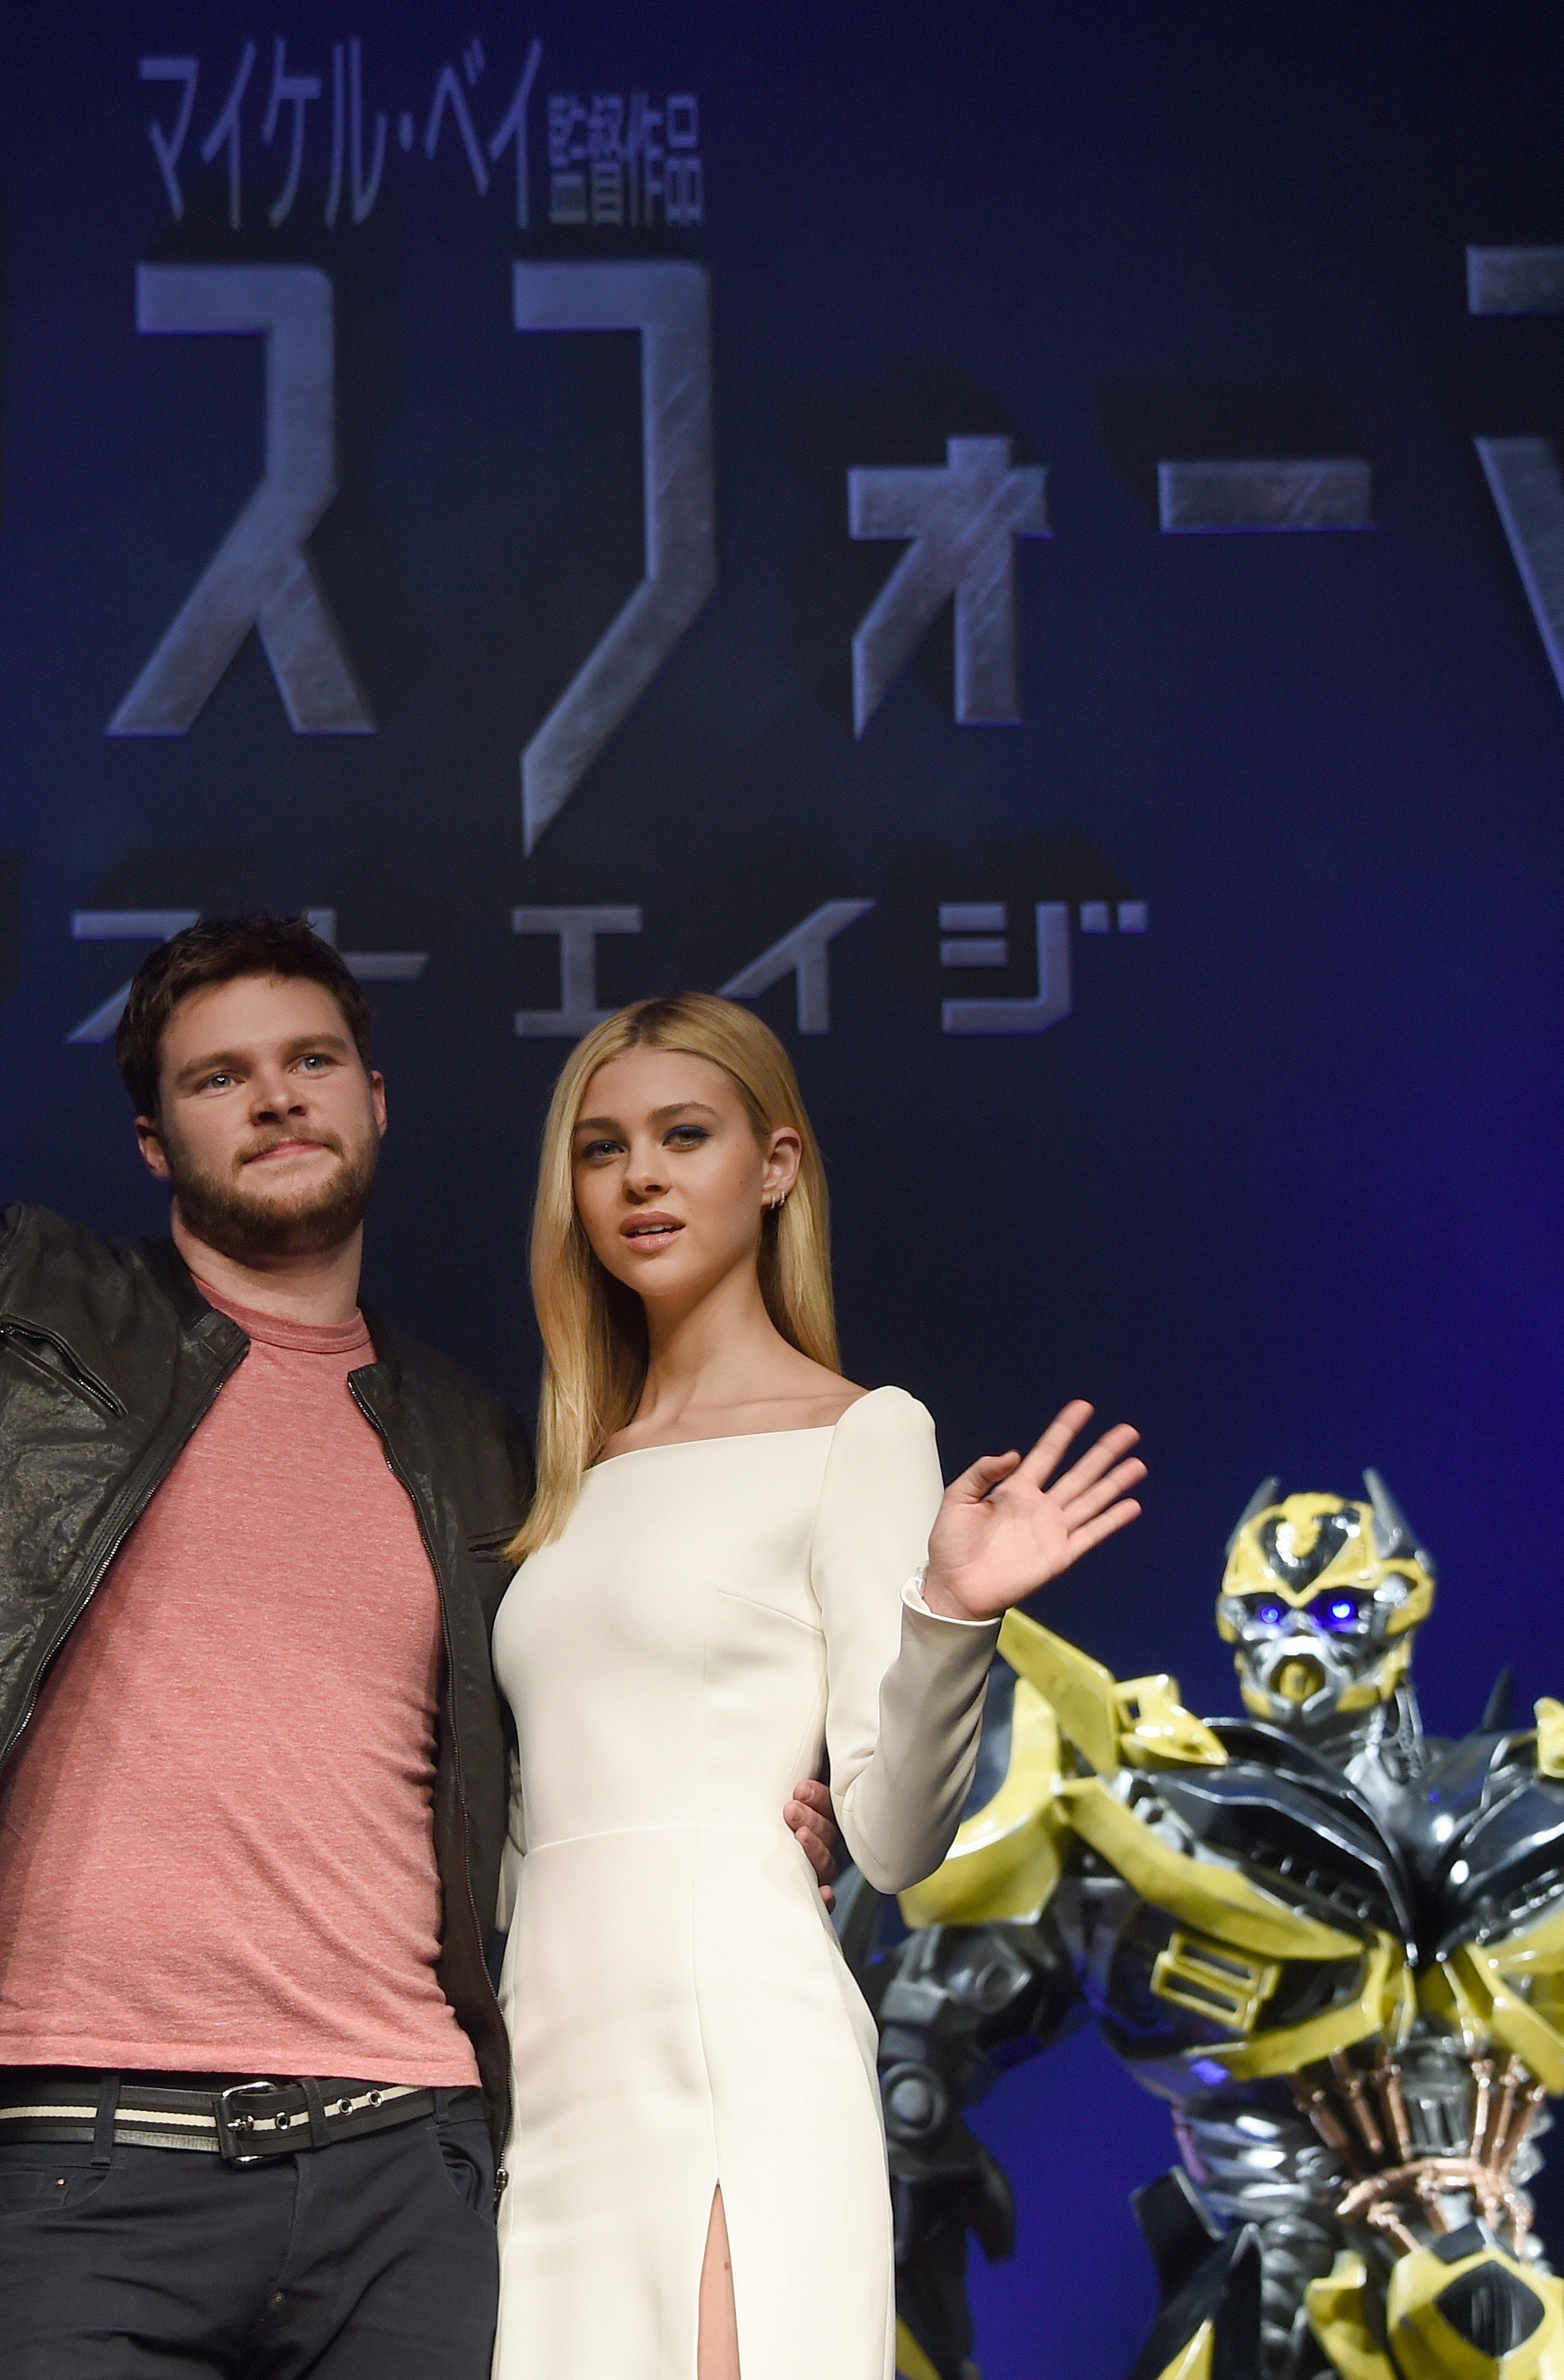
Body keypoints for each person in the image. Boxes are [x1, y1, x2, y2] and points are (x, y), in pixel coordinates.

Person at [0, 710, 840, 2380]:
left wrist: (744, 1804)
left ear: (375, 1101)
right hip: (86, 2173)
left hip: (408, 2175)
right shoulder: (10, 1314)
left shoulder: (478, 1442)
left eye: (309, 1060)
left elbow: (571, 1744)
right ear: (155, 1142)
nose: (273, 1097)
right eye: (217, 1077)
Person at [488, 992, 1144, 2380]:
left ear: (775, 1164)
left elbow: (892, 1841)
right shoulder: (562, 1474)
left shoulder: (859, 1433)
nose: (641, 1176)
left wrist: (952, 1613)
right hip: (545, 2072)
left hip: (734, 2043)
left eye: (684, 1135)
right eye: (602, 1147)